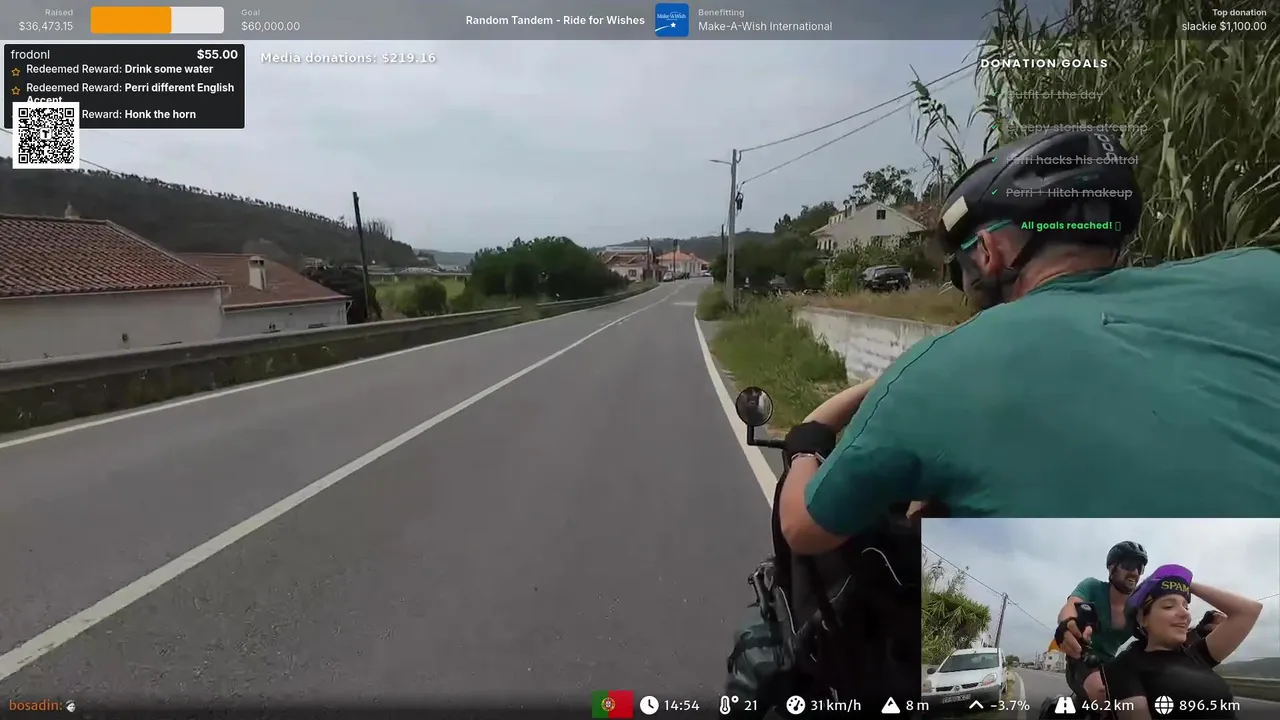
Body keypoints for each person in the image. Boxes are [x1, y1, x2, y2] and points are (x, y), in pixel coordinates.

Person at [776, 128, 1280, 555]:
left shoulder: (942, 369)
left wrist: (804, 447)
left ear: (988, 252)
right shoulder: (1259, 275)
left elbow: (803, 530)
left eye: (962, 267)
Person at [1106, 566, 1262, 719]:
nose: (1185, 614)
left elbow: (1249, 611)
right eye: (1169, 606)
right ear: (1142, 619)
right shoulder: (1125, 666)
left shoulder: (1197, 656)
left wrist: (1184, 583)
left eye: (1186, 607)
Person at [1055, 542, 1148, 704]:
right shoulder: (1092, 587)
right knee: (1101, 693)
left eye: (1139, 567)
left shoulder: (1138, 607)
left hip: (1112, 664)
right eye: (1128, 564)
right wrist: (1067, 624)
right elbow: (1071, 606)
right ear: (1112, 568)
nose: (1134, 572)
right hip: (1081, 656)